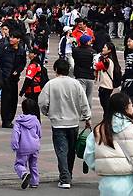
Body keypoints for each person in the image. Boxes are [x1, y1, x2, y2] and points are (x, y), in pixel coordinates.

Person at [83, 93, 133, 196]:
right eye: (131, 105)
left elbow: (88, 155)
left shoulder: (98, 131)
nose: (132, 107)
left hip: (108, 185)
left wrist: (102, 166)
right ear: (126, 108)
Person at [38, 59, 92, 189]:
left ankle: (64, 178)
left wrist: (47, 112)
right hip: (73, 122)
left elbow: (42, 102)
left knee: (61, 150)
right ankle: (68, 174)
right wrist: (87, 117)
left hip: (58, 123)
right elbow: (84, 102)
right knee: (71, 151)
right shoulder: (76, 84)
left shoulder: (51, 84)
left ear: (56, 69)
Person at [0, 30, 27, 128]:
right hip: (5, 77)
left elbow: (22, 63)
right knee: (6, 100)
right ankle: (5, 121)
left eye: (13, 37)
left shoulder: (22, 51)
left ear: (18, 39)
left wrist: (18, 70)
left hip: (14, 79)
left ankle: (10, 119)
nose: (11, 39)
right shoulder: (5, 47)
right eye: (10, 37)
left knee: (13, 100)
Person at [11, 98, 42, 190]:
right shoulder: (36, 120)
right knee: (33, 164)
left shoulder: (19, 121)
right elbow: (39, 133)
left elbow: (15, 134)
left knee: (19, 164)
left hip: (23, 146)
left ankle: (24, 174)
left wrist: (15, 145)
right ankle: (34, 181)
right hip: (35, 146)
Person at [19, 48, 47, 121]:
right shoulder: (38, 64)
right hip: (37, 89)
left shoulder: (32, 66)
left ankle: (32, 122)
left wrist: (22, 91)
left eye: (31, 53)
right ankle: (37, 122)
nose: (29, 54)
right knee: (35, 107)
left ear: (35, 55)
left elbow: (28, 79)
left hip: (32, 90)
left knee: (31, 107)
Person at [95, 42, 121, 113]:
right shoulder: (112, 59)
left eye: (104, 47)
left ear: (109, 50)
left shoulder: (107, 60)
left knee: (105, 105)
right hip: (108, 85)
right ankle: (107, 119)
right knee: (106, 105)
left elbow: (96, 66)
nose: (102, 49)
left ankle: (107, 120)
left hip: (105, 86)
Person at [73, 34, 96, 105]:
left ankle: (82, 112)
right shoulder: (93, 52)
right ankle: (88, 113)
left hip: (79, 75)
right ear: (87, 42)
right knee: (89, 96)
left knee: (81, 96)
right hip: (90, 75)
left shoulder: (76, 50)